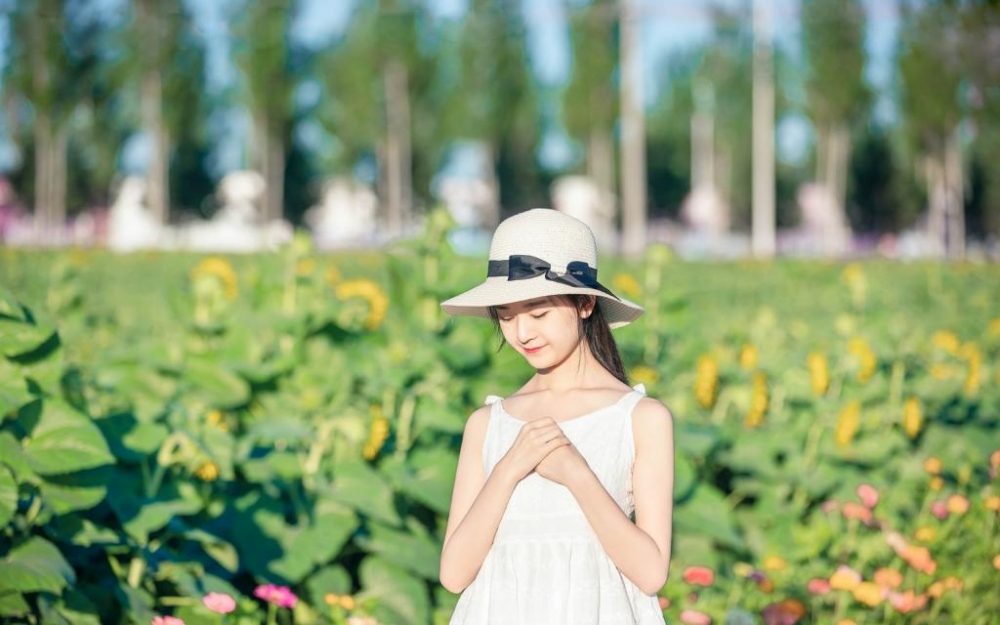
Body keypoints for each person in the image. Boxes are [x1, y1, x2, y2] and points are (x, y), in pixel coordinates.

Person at [439, 208, 675, 624]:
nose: (522, 333)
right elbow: (454, 575)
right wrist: (510, 466)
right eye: (507, 317)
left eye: (538, 312)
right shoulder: (487, 424)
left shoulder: (640, 418)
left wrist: (576, 473)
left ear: (585, 303)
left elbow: (651, 573)